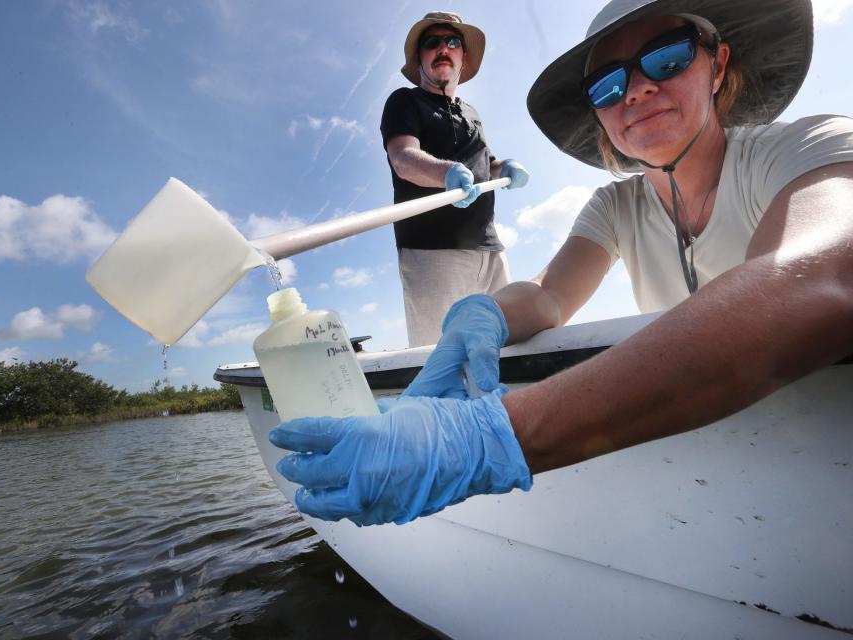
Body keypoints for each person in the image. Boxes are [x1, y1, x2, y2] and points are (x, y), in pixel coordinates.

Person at [270, 0, 853, 526]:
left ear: (718, 64)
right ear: (598, 113)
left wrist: (492, 439)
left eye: (667, 57)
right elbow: (549, 294)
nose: (638, 90)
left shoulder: (809, 148)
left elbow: (817, 281)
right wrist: (487, 313)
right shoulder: (616, 204)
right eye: (607, 85)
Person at [381, 11, 530, 348]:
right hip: (433, 249)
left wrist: (504, 166)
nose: (442, 48)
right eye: (432, 43)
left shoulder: (471, 113)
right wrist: (444, 173)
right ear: (420, 58)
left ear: (464, 55)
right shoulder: (404, 101)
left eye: (452, 42)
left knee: (509, 348)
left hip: (491, 248)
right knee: (442, 355)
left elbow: (485, 162)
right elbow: (403, 158)